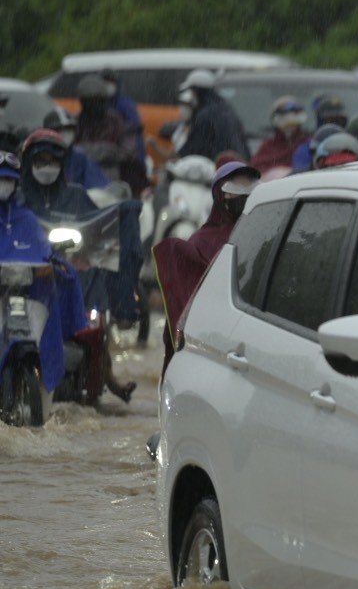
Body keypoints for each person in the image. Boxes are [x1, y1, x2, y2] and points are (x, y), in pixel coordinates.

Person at [18, 132, 140, 397]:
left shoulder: (75, 196)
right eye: (40, 161)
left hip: (70, 272)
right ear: (29, 163)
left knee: (95, 314)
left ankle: (106, 374)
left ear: (62, 164)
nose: (46, 167)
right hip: (27, 277)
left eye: (52, 161)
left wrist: (124, 214)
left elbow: (97, 226)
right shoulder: (17, 199)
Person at [0, 151, 92, 400]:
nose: (4, 185)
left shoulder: (26, 219)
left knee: (67, 275)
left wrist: (51, 262)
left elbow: (43, 251)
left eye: (7, 180)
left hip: (24, 297)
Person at [153, 161, 260, 375]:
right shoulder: (200, 241)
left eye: (248, 189)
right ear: (220, 196)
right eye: (236, 189)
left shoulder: (261, 236)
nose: (243, 196)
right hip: (217, 336)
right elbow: (185, 302)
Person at [71, 79, 149, 194]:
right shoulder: (75, 123)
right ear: (83, 102)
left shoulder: (116, 121)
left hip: (112, 177)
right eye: (90, 101)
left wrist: (106, 152)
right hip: (81, 178)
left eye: (98, 101)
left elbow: (128, 150)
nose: (94, 106)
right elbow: (69, 151)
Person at [173, 70, 248, 164]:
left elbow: (192, 148)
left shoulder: (205, 115)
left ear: (197, 92)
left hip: (214, 168)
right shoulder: (226, 108)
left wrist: (178, 157)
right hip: (234, 165)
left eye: (192, 92)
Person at [44, 101, 108, 190]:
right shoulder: (40, 157)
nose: (65, 134)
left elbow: (99, 188)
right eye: (59, 129)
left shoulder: (81, 158)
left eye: (68, 129)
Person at [291, 94, 350, 172]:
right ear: (320, 121)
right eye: (330, 121)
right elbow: (300, 176)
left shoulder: (351, 146)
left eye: (340, 121)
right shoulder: (308, 148)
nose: (335, 125)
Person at [250, 97, 309, 173]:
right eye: (284, 122)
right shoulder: (268, 146)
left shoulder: (308, 144)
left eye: (293, 122)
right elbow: (256, 170)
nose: (289, 127)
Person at [100, 69, 145, 136]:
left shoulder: (125, 104)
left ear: (116, 83)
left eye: (110, 81)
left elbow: (134, 126)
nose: (108, 85)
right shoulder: (93, 103)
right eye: (105, 82)